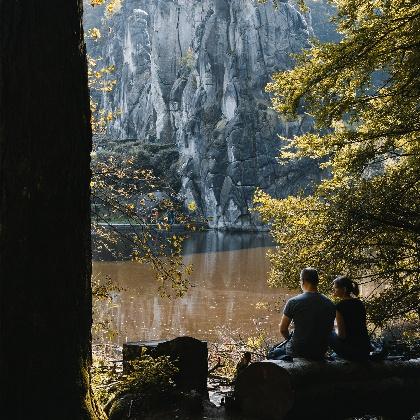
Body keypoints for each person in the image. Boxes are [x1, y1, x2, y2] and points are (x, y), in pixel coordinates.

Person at [268, 268, 335, 360]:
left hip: (298, 350)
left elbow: (283, 329)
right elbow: (330, 330)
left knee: (272, 352)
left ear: (303, 281)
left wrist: (289, 338)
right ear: (317, 282)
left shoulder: (293, 302)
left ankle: (286, 359)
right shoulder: (329, 303)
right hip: (320, 350)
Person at [330, 276, 372, 361]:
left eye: (335, 288)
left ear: (344, 289)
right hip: (365, 349)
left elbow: (342, 336)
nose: (333, 290)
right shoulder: (359, 303)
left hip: (352, 352)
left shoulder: (340, 306)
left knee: (328, 334)